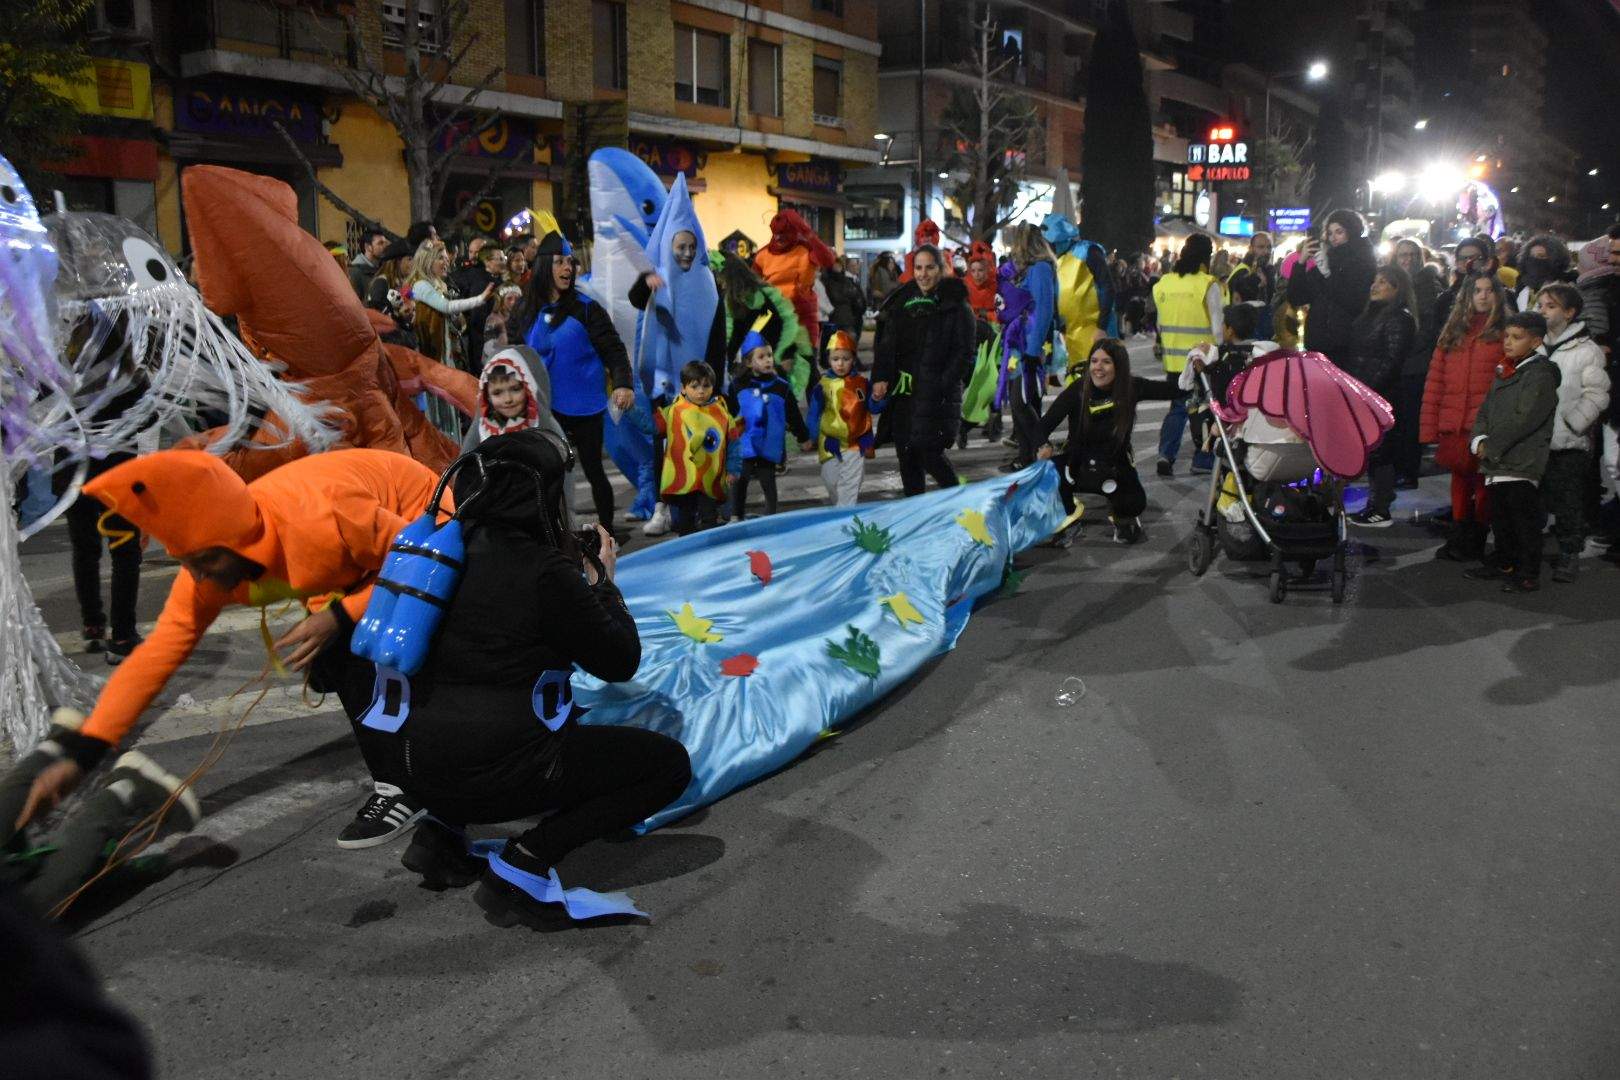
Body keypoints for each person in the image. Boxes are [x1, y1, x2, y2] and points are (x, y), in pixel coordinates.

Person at [3, 449, 443, 852]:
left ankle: (416, 781)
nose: (197, 577)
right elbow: (154, 659)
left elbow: (421, 553)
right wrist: (82, 757)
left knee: (374, 650)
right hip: (356, 560)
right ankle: (402, 779)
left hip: (423, 518)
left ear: (237, 539)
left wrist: (339, 617)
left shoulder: (321, 515)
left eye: (204, 561)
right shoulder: (209, 569)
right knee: (338, 662)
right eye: (186, 562)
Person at [384, 430, 691, 919]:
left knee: (473, 715)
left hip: (409, 766)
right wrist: (603, 584)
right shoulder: (541, 570)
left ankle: (439, 837)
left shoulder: (437, 553)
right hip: (499, 772)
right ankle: (526, 861)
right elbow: (618, 662)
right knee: (667, 766)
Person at [516, 230, 635, 533]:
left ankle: (607, 532)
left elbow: (613, 348)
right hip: (544, 407)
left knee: (594, 470)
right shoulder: (524, 310)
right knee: (548, 473)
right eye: (559, 262)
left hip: (584, 405)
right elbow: (514, 357)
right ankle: (554, 533)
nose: (567, 268)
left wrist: (623, 383)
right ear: (544, 266)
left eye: (570, 262)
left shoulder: (586, 308)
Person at [1036, 338, 1178, 545]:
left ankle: (1121, 516)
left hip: (1114, 467)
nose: (1098, 368)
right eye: (1094, 361)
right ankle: (1069, 518)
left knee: (1134, 503)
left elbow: (1174, 390)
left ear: (1118, 367)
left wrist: (1201, 368)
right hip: (1077, 465)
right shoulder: (1078, 389)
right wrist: (1044, 445)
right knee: (1044, 476)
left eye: (1106, 362)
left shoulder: (1131, 387)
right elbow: (1042, 426)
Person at [1464, 312, 1560, 593]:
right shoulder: (1506, 370)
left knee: (1524, 521)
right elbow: (1486, 410)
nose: (1508, 342)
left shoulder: (1540, 376)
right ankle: (1505, 561)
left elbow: (1524, 419)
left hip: (1521, 460)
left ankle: (1528, 572)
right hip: (1498, 460)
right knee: (1501, 518)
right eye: (1507, 336)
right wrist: (1479, 439)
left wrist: (1490, 446)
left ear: (1536, 341)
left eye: (1516, 338)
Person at [1422, 272, 1510, 561]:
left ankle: (1477, 535)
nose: (1483, 296)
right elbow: (1436, 382)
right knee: (1460, 479)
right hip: (1455, 422)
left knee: (1484, 483)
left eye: (1489, 290)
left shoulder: (1505, 334)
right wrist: (1430, 426)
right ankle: (1461, 534)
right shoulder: (1453, 333)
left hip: (1486, 422)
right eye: (1477, 291)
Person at [872, 245, 972, 496]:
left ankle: (963, 506)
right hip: (903, 395)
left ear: (941, 269)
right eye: (918, 268)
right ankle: (917, 518)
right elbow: (886, 344)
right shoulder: (901, 301)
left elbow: (964, 353)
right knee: (907, 458)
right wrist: (881, 377)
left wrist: (941, 382)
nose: (923, 274)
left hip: (935, 395)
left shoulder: (956, 306)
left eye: (929, 267)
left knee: (930, 455)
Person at [1536, 283, 1611, 581]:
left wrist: (1574, 423)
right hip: (1535, 438)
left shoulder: (1585, 351)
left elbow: (1596, 394)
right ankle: (1527, 548)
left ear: (1569, 312)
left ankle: (1569, 553)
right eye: (1541, 305)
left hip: (1568, 441)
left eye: (1551, 306)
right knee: (1532, 498)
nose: (1543, 310)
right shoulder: (1535, 344)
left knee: (1568, 501)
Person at [1347, 265, 1419, 526]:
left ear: (1397, 289)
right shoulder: (1370, 317)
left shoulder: (1399, 319)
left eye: (1383, 282)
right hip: (1365, 391)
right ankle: (1374, 504)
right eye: (1375, 281)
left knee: (1382, 452)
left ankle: (1380, 507)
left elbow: (1391, 360)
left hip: (1381, 395)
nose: (1375, 286)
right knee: (1374, 452)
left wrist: (1367, 390)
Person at [1152, 233, 1223, 476]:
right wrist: (1219, 351)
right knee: (1203, 409)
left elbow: (1160, 324)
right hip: (1202, 360)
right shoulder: (1208, 283)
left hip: (1173, 361)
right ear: (1207, 256)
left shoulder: (1164, 283)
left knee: (1178, 407)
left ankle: (1165, 454)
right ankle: (1202, 458)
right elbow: (1217, 328)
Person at [728, 332, 812, 520]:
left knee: (768, 480)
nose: (768, 360)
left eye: (769, 355)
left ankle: (770, 517)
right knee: (740, 478)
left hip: (768, 443)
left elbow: (793, 413)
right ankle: (736, 515)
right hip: (745, 442)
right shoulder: (738, 386)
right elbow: (729, 412)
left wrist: (803, 436)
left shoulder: (781, 387)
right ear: (749, 362)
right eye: (761, 356)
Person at [1286, 209, 1378, 370]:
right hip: (1318, 344)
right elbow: (1297, 297)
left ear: (1351, 231)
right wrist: (1301, 262)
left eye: (1339, 232)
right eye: (1329, 233)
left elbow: (1353, 301)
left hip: (1345, 346)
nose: (1333, 237)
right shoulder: (1328, 260)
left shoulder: (1363, 261)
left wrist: (1328, 275)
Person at [654, 361, 740, 535]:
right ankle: (689, 557)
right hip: (684, 478)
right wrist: (632, 410)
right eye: (695, 386)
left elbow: (733, 443)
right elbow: (651, 426)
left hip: (710, 477)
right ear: (683, 388)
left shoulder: (721, 413)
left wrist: (733, 469)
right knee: (685, 523)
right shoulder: (673, 411)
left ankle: (709, 554)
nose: (701, 391)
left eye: (706, 386)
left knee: (709, 519)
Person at [1000, 224, 1059, 471]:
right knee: (1023, 402)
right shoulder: (1035, 270)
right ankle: (1027, 456)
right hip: (1021, 344)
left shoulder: (1041, 269)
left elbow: (1044, 310)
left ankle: (1040, 447)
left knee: (1022, 401)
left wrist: (1032, 352)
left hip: (1030, 345)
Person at [807, 330, 884, 505]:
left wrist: (876, 398)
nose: (840, 364)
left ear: (853, 359)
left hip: (856, 444)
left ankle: (845, 521)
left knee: (848, 489)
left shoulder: (862, 384)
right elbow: (814, 413)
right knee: (830, 480)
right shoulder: (822, 386)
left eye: (846, 359)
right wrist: (811, 436)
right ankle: (842, 511)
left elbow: (872, 407)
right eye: (835, 359)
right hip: (829, 443)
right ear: (829, 360)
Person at [1392, 239, 1445, 488]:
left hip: (1414, 363)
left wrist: (1401, 348)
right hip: (1397, 363)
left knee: (1411, 420)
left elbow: (1426, 329)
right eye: (1402, 255)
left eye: (1412, 255)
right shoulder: (1394, 284)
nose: (1407, 260)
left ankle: (1408, 470)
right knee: (1398, 420)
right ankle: (1398, 467)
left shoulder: (1427, 286)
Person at [753, 210, 837, 350]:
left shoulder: (806, 249)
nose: (779, 238)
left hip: (802, 318)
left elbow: (828, 260)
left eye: (784, 234)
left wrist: (808, 233)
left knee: (804, 364)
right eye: (776, 234)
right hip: (775, 317)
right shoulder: (763, 254)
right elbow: (751, 285)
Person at [405, 239, 494, 369]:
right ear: (428, 261)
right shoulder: (421, 285)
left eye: (446, 258)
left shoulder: (441, 284)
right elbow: (447, 307)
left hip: (446, 349)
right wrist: (480, 299)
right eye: (441, 258)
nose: (446, 262)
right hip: (432, 352)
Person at [450, 243, 507, 372]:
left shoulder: (495, 280)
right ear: (488, 262)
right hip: (484, 348)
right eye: (500, 259)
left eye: (504, 259)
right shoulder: (482, 284)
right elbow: (478, 322)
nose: (504, 262)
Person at [1226, 231, 1277, 340]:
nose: (1266, 251)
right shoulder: (1243, 272)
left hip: (1260, 333)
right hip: (1245, 335)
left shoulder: (1264, 270)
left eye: (1269, 247)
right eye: (1261, 247)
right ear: (1251, 248)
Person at [820, 255, 868, 360]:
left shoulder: (845, 279)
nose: (838, 267)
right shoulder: (827, 279)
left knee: (848, 339)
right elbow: (836, 296)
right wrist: (848, 296)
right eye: (836, 264)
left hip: (848, 314)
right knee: (844, 339)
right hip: (837, 315)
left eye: (840, 265)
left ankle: (849, 361)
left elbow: (853, 294)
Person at [1513, 234, 1572, 314]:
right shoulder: (1522, 289)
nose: (1534, 261)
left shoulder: (1565, 290)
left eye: (1541, 256)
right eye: (1531, 256)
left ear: (1555, 261)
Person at [364, 240, 414, 313]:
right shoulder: (381, 282)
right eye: (409, 259)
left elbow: (402, 305)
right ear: (397, 261)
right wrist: (398, 315)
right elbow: (375, 310)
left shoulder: (399, 283)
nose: (413, 263)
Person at [349, 227, 389, 298]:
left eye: (385, 243)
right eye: (380, 243)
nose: (385, 246)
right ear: (367, 247)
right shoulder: (355, 272)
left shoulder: (383, 268)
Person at [964, 242, 998, 324]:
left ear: (987, 270)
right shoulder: (965, 287)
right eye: (973, 271)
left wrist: (987, 314)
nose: (977, 274)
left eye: (980, 270)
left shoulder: (996, 287)